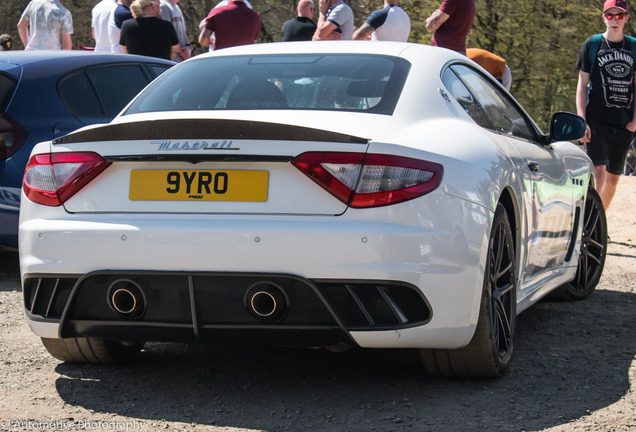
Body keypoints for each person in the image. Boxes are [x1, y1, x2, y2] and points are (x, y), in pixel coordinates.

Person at [576, 0, 636, 210]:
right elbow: (582, 86)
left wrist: (635, 121)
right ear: (603, 17)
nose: (615, 20)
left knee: (613, 178)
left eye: (620, 15)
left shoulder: (634, 47)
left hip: (624, 122)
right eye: (610, 15)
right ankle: (588, 221)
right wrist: (582, 120)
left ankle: (599, 222)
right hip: (596, 120)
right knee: (598, 171)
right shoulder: (592, 44)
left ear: (627, 18)